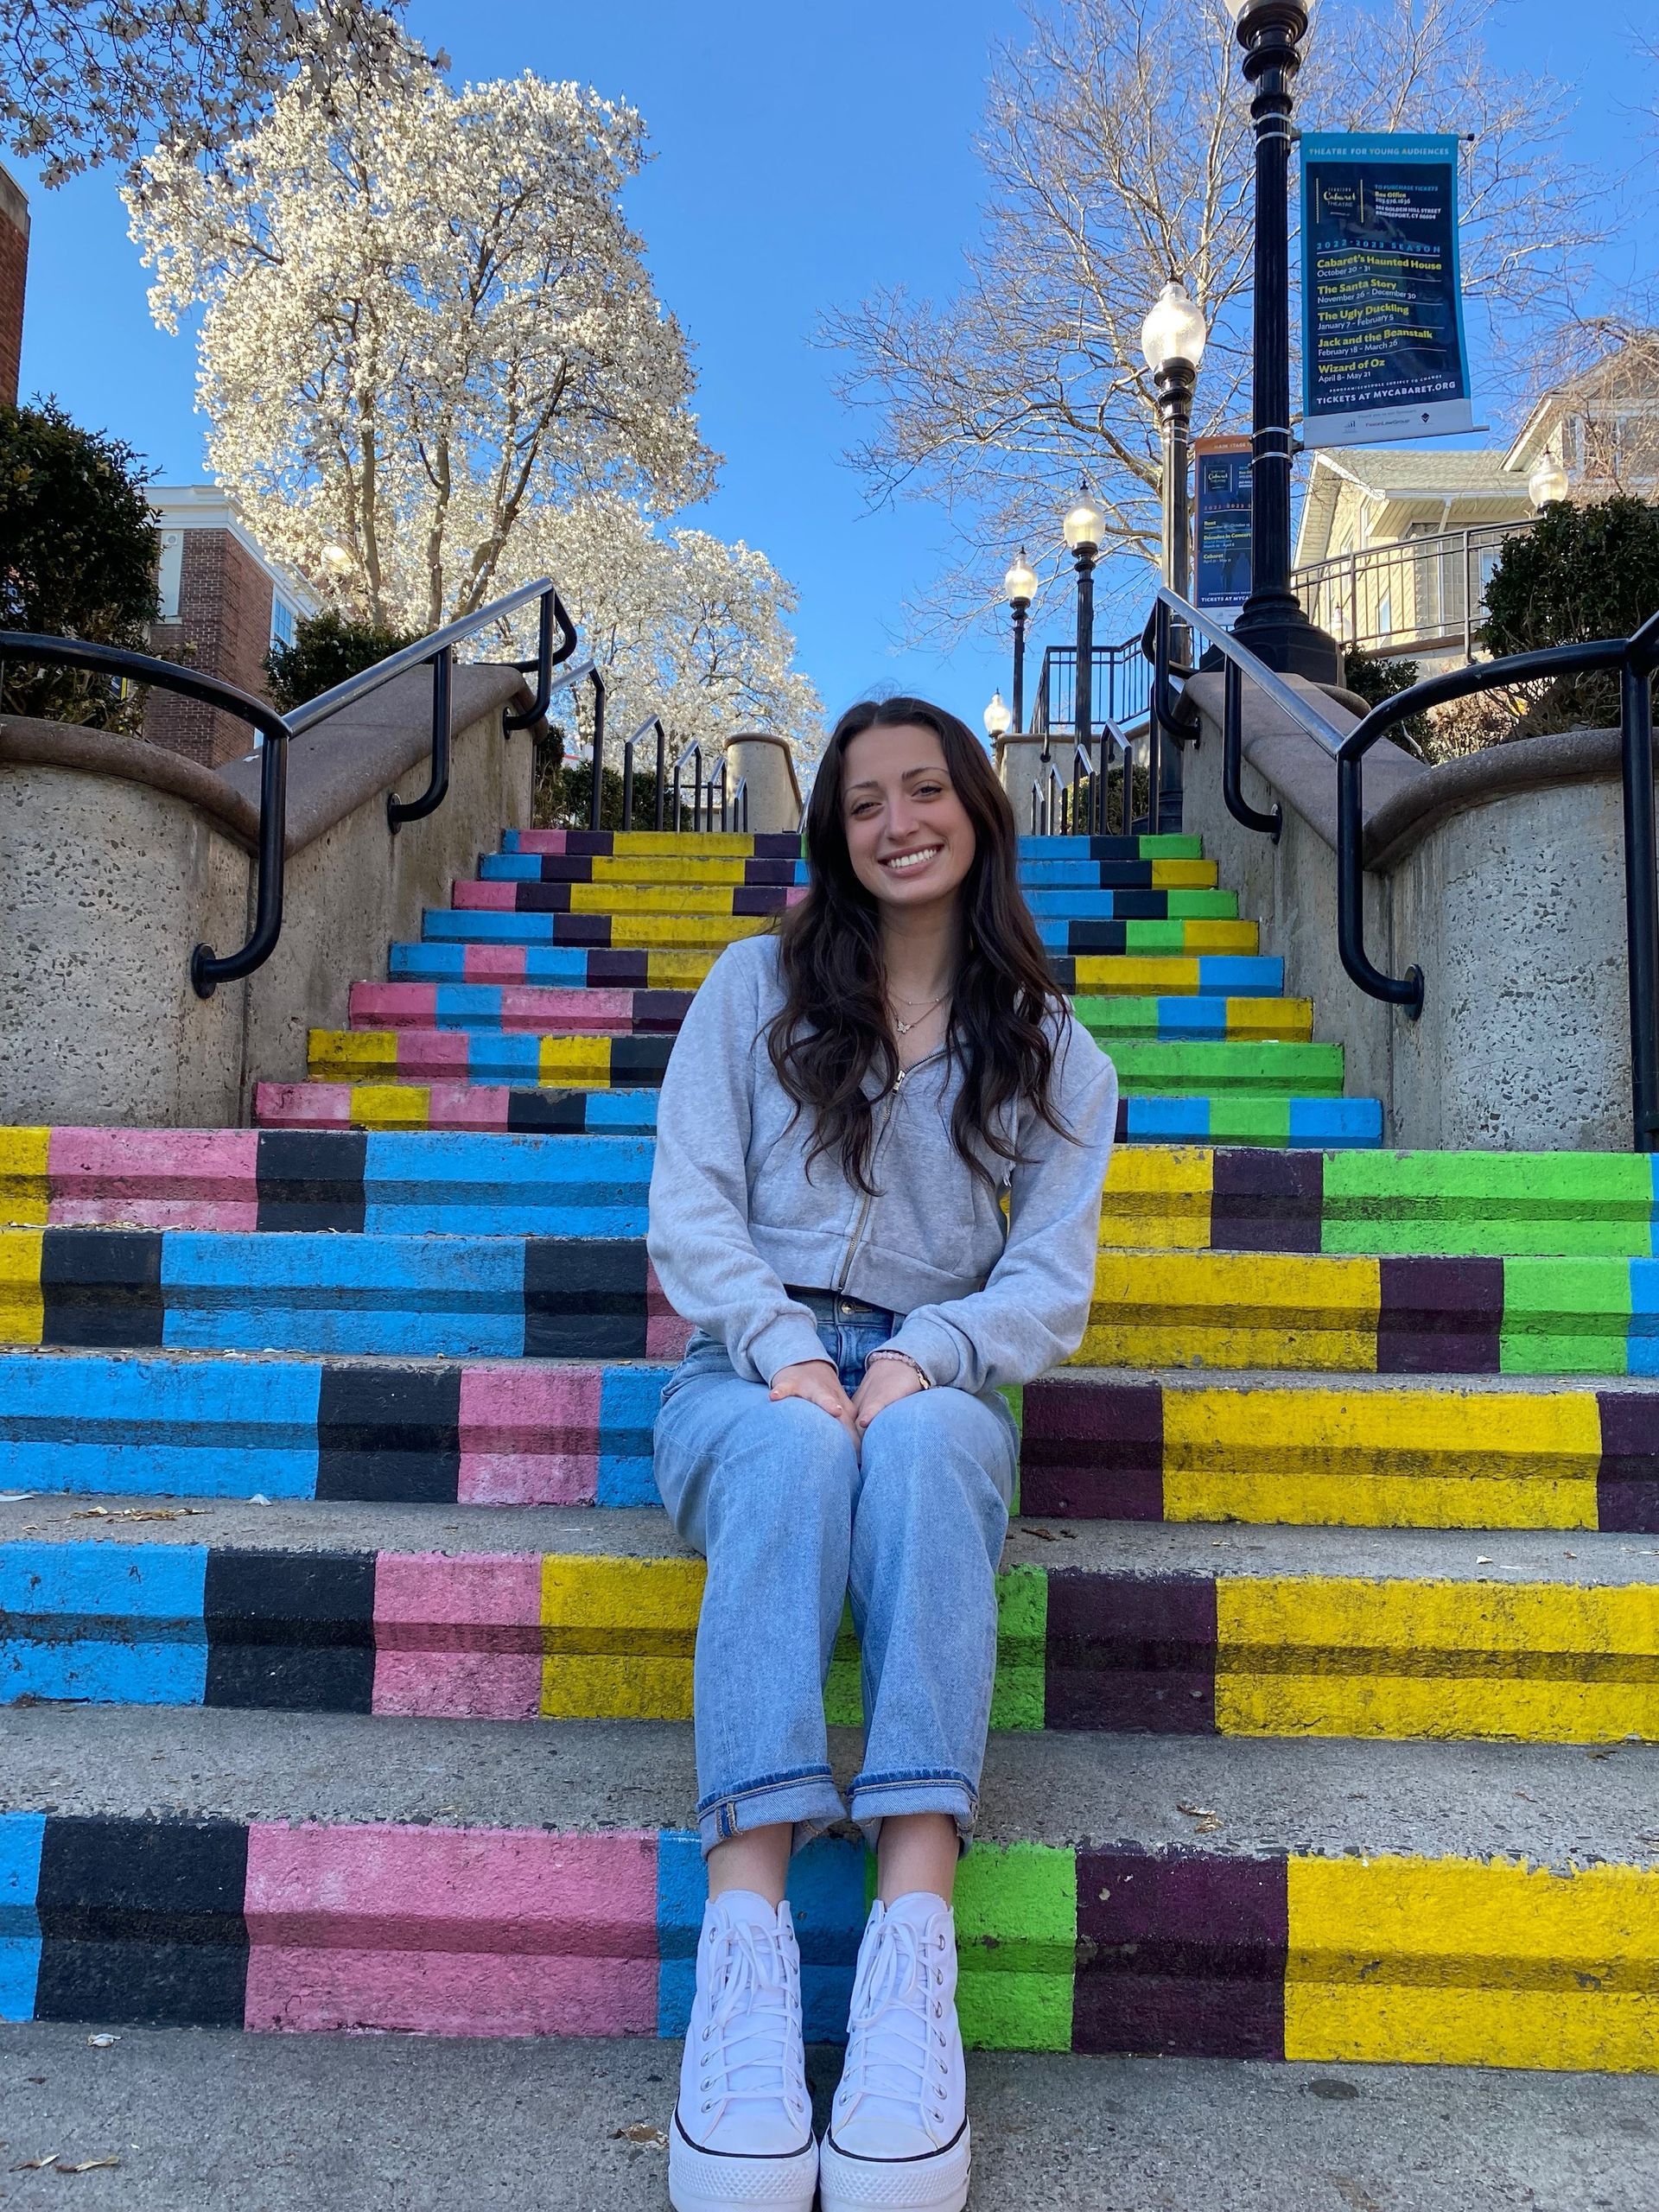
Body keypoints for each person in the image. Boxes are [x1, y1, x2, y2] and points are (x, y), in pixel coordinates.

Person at [647, 696, 1118, 2212]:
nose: (898, 820)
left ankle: (914, 1958)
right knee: (791, 1465)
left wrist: (929, 1354)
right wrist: (788, 1351)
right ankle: (746, 1964)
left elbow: (1047, 1281)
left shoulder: (1055, 1052)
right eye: (865, 802)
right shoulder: (751, 990)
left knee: (915, 1458)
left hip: (939, 1369)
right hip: (742, 1364)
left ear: (978, 813)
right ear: (835, 834)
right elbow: (693, 1212)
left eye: (927, 791)